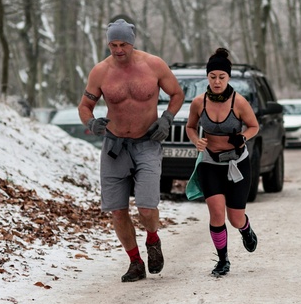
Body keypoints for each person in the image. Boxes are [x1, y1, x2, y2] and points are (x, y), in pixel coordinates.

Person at [78, 17, 184, 282]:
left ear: (132, 43)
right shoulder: (100, 72)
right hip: (114, 146)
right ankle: (135, 262)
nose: (118, 50)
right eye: (113, 44)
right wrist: (91, 122)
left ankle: (153, 239)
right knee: (117, 211)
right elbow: (85, 106)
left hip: (147, 143)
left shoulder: (154, 65)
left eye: (123, 44)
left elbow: (177, 94)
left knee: (146, 208)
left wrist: (167, 119)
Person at [185, 48, 260, 276]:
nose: (217, 82)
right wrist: (196, 140)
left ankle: (245, 229)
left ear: (228, 77)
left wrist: (243, 137)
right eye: (213, 77)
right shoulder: (199, 103)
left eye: (221, 77)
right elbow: (190, 127)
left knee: (235, 218)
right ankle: (222, 260)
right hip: (210, 163)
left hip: (237, 164)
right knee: (217, 214)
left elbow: (254, 126)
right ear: (207, 77)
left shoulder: (239, 103)